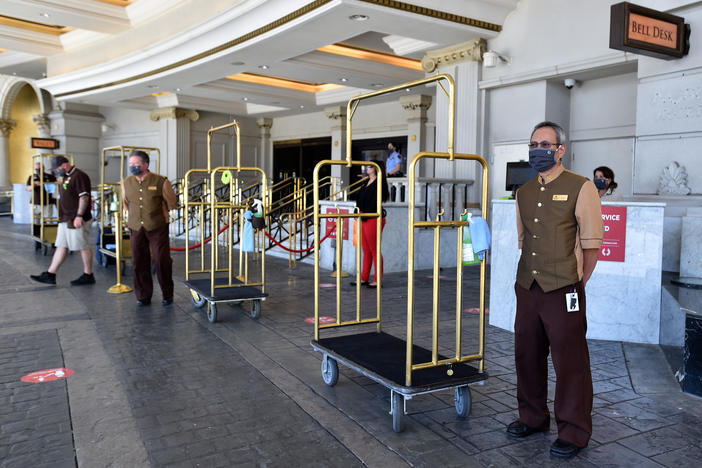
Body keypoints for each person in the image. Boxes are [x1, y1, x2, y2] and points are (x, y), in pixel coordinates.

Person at [507, 121, 604, 460]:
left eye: (545, 144)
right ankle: (532, 417)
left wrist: (578, 280)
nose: (537, 150)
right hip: (527, 287)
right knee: (527, 355)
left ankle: (574, 431)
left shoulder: (582, 186)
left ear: (560, 149)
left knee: (570, 362)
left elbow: (592, 244)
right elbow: (524, 241)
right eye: (533, 143)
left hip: (564, 288)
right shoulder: (524, 191)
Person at [122, 150, 177, 306]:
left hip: (157, 225)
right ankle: (143, 296)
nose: (132, 166)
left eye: (136, 164)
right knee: (139, 261)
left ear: (145, 164)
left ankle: (167, 294)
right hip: (135, 227)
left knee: (161, 260)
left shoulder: (161, 181)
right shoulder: (127, 182)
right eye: (130, 164)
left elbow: (171, 202)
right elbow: (126, 203)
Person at [30, 156, 95, 286]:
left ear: (64, 165)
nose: (55, 172)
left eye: (56, 168)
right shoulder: (66, 176)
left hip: (74, 218)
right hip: (65, 217)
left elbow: (84, 197)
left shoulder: (79, 175)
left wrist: (79, 215)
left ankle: (88, 274)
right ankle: (50, 274)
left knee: (82, 245)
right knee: (61, 245)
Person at [350, 159, 389, 288]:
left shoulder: (379, 182)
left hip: (373, 218)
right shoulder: (367, 181)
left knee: (374, 250)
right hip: (364, 217)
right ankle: (364, 278)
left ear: (376, 168)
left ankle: (378, 280)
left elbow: (374, 202)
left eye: (370, 166)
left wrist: (363, 212)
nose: (367, 167)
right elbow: (360, 198)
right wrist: (358, 213)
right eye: (367, 166)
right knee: (366, 250)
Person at [26, 161, 57, 250]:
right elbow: (28, 188)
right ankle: (37, 242)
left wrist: (44, 184)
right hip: (35, 203)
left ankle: (51, 240)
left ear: (43, 168)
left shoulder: (50, 177)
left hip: (47, 203)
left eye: (39, 169)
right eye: (36, 169)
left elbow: (55, 186)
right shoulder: (32, 177)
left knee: (48, 222)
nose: (38, 170)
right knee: (35, 222)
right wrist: (35, 184)